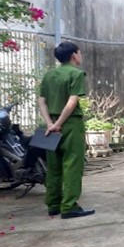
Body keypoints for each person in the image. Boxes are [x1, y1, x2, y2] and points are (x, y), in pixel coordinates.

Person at [37, 41, 94, 218]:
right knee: (72, 165)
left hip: (49, 126)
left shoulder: (49, 75)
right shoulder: (76, 74)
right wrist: (59, 123)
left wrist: (50, 124)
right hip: (70, 124)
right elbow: (72, 101)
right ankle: (69, 206)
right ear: (74, 55)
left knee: (53, 166)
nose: (80, 55)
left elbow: (41, 101)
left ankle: (53, 204)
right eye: (79, 52)